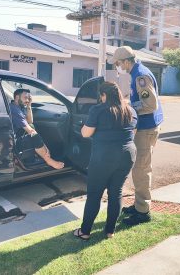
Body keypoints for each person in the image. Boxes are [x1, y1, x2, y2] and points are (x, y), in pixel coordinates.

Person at [73, 82, 137, 240]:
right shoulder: (130, 110)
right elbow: (133, 132)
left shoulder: (98, 109)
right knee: (116, 193)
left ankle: (85, 232)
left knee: (94, 194)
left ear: (104, 95)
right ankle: (110, 231)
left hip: (104, 156)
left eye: (101, 96)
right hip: (128, 155)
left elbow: (86, 133)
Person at [108, 46, 164, 226]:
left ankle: (143, 212)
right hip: (146, 127)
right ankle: (139, 204)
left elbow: (151, 104)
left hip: (147, 129)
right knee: (139, 168)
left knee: (141, 169)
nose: (118, 66)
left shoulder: (140, 76)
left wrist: (128, 108)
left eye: (118, 63)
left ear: (126, 61)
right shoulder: (138, 72)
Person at [10, 89, 64, 169]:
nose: (27, 100)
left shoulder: (19, 107)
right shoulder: (14, 109)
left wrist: (29, 105)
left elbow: (30, 121)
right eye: (25, 98)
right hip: (14, 144)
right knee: (34, 135)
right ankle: (48, 160)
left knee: (32, 126)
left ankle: (39, 154)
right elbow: (30, 131)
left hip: (15, 138)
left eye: (29, 98)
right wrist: (45, 147)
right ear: (17, 97)